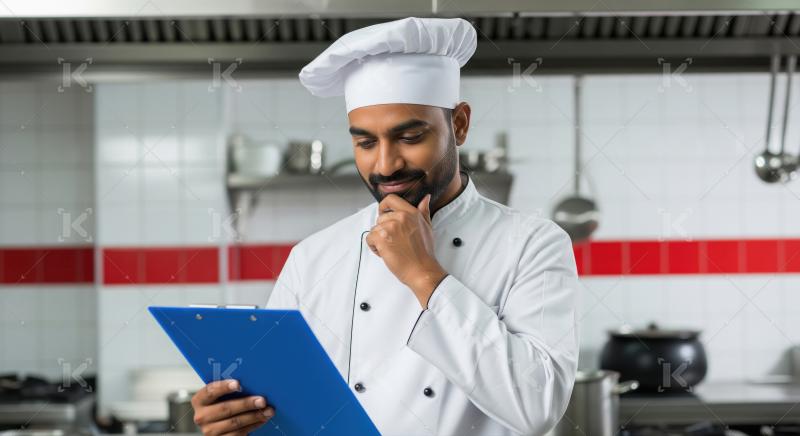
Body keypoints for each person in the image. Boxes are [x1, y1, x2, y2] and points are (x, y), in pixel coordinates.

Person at [191, 17, 579, 436]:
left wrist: (424, 274)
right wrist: (237, 418)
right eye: (366, 142)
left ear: (460, 124)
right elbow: (283, 409)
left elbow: (537, 406)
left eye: (410, 137)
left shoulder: (531, 244)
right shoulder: (313, 256)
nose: (386, 164)